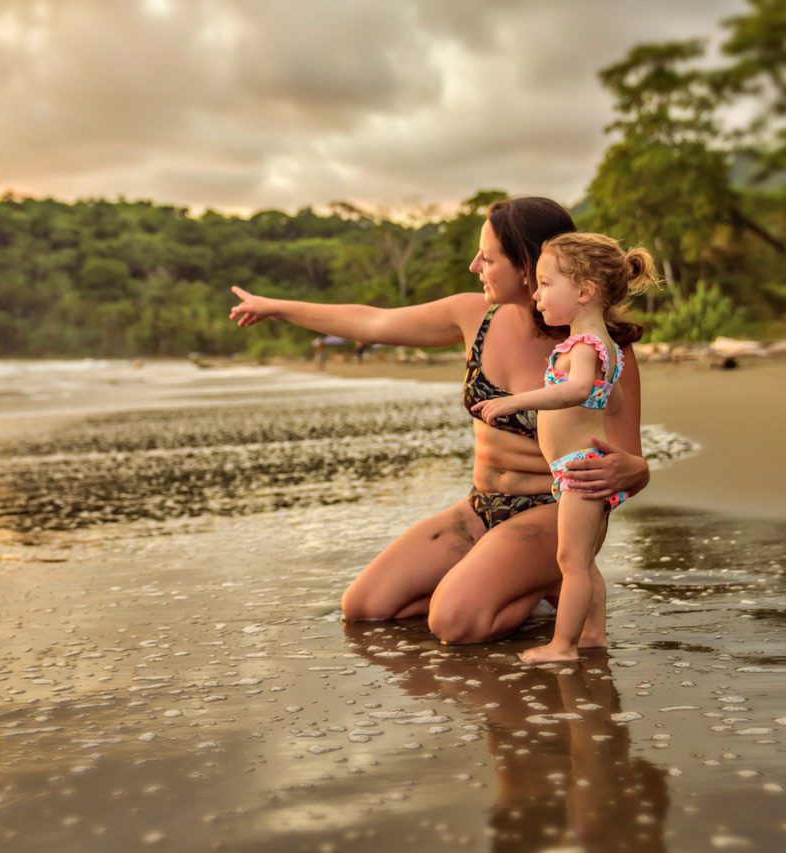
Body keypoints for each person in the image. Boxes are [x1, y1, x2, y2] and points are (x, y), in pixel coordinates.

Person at [229, 197, 650, 645]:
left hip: (552, 515)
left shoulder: (604, 349)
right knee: (364, 608)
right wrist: (276, 306)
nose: (474, 266)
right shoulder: (473, 316)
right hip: (480, 506)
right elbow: (374, 322)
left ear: (528, 267)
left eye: (487, 258)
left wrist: (633, 471)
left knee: (453, 623)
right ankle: (515, 582)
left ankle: (536, 581)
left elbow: (633, 463)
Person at [472, 233, 659, 662]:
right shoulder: (605, 347)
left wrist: (515, 401)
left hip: (578, 468)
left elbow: (575, 390)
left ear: (583, 291)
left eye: (545, 284)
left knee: (570, 562)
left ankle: (563, 645)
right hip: (578, 466)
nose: (536, 295)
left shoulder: (585, 345)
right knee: (584, 561)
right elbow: (614, 400)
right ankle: (592, 634)